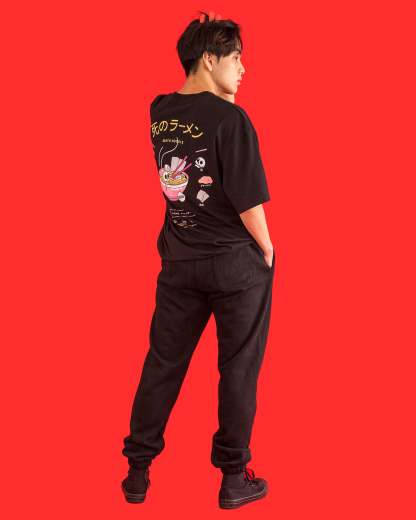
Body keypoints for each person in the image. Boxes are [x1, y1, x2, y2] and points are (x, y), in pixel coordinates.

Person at [121, 10, 276, 509]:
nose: (244, 69)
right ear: (209, 58)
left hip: (180, 261)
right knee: (239, 368)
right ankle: (233, 478)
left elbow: (192, 141)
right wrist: (268, 249)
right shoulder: (233, 120)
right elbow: (248, 201)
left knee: (163, 363)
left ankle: (137, 471)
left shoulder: (159, 110)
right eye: (236, 58)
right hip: (235, 265)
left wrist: (219, 97)